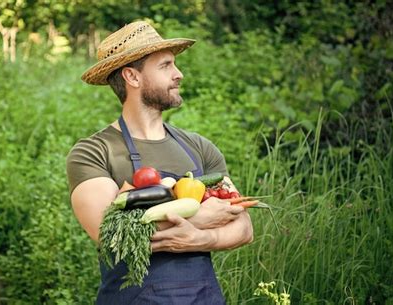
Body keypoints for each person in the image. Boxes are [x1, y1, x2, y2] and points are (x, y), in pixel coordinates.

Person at [66, 20, 254, 305]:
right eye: (165, 66)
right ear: (132, 76)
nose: (178, 74)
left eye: (175, 65)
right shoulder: (94, 152)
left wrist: (198, 239)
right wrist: (200, 218)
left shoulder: (199, 148)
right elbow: (110, 235)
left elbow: (244, 228)